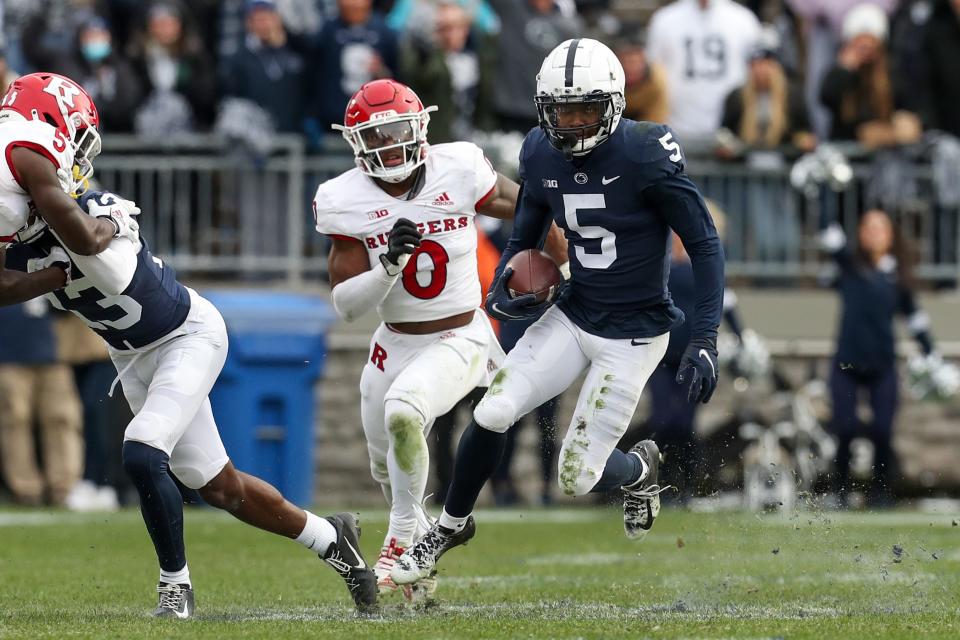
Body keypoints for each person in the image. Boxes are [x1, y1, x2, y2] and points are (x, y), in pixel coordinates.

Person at [0, 76, 378, 618]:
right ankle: (333, 539)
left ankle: (175, 588)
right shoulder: (21, 226)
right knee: (218, 487)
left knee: (142, 446)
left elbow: (94, 255)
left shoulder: (100, 209)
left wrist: (85, 241)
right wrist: (51, 274)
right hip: (132, 356)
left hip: (186, 336)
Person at [392, 38, 724, 586]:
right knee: (493, 411)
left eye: (585, 110)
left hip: (635, 333)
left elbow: (706, 245)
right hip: (574, 312)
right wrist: (508, 278)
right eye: (560, 110)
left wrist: (705, 337)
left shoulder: (645, 151)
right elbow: (525, 230)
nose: (571, 123)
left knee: (576, 475)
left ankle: (640, 470)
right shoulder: (540, 151)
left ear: (614, 104)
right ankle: (449, 526)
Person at [313, 78, 566, 599]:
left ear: (420, 128)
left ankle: (405, 537)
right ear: (356, 143)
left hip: (461, 333)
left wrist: (564, 258)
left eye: (396, 132)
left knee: (406, 412)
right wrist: (386, 268)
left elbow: (526, 208)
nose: (388, 146)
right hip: (393, 339)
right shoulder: (345, 199)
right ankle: (418, 562)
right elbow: (345, 305)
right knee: (385, 461)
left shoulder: (459, 167)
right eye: (376, 137)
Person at [819, 209, 941, 506]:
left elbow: (915, 320)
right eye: (868, 227)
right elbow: (827, 231)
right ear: (860, 233)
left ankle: (881, 492)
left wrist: (932, 354)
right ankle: (841, 489)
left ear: (890, 236)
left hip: (882, 364)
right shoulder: (849, 266)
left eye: (880, 228)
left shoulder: (897, 275)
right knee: (845, 427)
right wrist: (823, 180)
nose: (873, 232)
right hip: (847, 363)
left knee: (883, 430)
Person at [0, 72, 140, 306]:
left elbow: (2, 288)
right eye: (78, 135)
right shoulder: (29, 142)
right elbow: (86, 240)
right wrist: (114, 222)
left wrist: (59, 273)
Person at [0, 298, 84, 506]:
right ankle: (25, 489)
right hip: (8, 356)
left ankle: (64, 487)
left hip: (52, 353)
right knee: (14, 422)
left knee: (62, 418)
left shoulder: (42, 266)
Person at [646, 0, 761, 141]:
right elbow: (654, 73)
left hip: (731, 129)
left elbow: (757, 73)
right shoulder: (664, 19)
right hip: (678, 125)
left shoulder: (744, 19)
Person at [819, 4, 921, 147]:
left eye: (871, 43)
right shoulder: (842, 74)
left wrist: (896, 129)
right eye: (860, 43)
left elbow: (908, 108)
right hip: (846, 150)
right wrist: (845, 69)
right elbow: (826, 98)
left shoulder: (891, 75)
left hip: (884, 153)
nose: (866, 50)